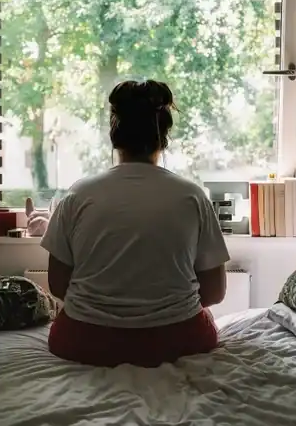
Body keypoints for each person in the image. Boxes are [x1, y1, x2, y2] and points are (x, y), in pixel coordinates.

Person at [40, 79, 231, 368]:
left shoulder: (78, 195)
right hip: (177, 341)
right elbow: (215, 292)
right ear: (163, 136)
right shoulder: (192, 196)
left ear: (114, 134)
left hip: (84, 342)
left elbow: (57, 285)